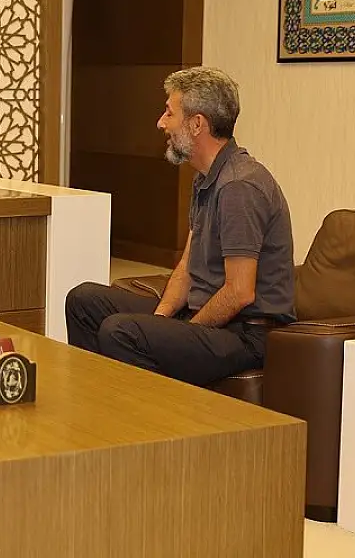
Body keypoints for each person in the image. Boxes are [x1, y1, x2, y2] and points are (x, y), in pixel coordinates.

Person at [64, 67, 295, 387]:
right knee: (84, 301)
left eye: (169, 113)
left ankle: (143, 415)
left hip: (245, 333)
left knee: (120, 331)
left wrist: (183, 332)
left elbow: (239, 292)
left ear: (197, 124)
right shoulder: (206, 178)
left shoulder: (239, 186)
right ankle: (100, 403)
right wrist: (159, 322)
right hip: (202, 313)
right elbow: (187, 267)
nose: (161, 123)